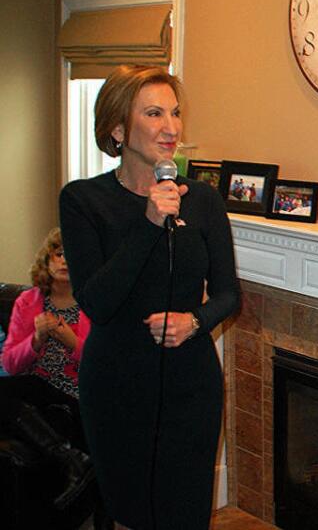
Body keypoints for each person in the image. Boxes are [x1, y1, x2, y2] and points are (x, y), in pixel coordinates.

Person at [59, 65, 241, 529]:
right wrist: (148, 223)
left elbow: (228, 294)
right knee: (130, 517)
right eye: (155, 113)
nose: (172, 127)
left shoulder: (202, 200)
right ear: (118, 128)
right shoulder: (83, 201)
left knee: (187, 516)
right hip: (118, 388)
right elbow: (97, 303)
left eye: (176, 113)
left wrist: (195, 322)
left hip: (191, 388)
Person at [0, 227, 94, 509]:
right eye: (58, 254)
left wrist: (71, 341)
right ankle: (73, 459)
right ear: (48, 260)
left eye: (71, 255)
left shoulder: (93, 303)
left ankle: (74, 460)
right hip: (38, 390)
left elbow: (106, 366)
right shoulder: (28, 302)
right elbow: (10, 364)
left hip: (79, 394)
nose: (64, 261)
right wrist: (36, 340)